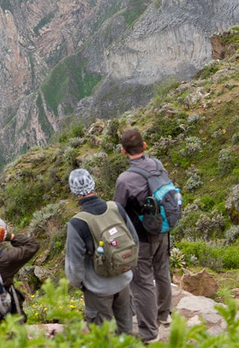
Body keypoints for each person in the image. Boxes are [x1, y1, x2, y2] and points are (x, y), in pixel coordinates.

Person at [113, 128, 172, 344]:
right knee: (163, 271)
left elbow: (117, 210)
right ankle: (164, 315)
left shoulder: (125, 179)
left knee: (142, 283)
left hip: (141, 237)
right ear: (144, 145)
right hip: (163, 230)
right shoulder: (157, 165)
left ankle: (149, 333)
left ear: (123, 151)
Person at [65, 169, 138, 335]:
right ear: (93, 184)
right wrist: (127, 265)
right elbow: (135, 240)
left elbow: (74, 266)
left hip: (98, 289)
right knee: (126, 332)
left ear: (74, 191)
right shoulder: (116, 208)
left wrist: (81, 285)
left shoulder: (77, 223)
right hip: (124, 281)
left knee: (102, 337)